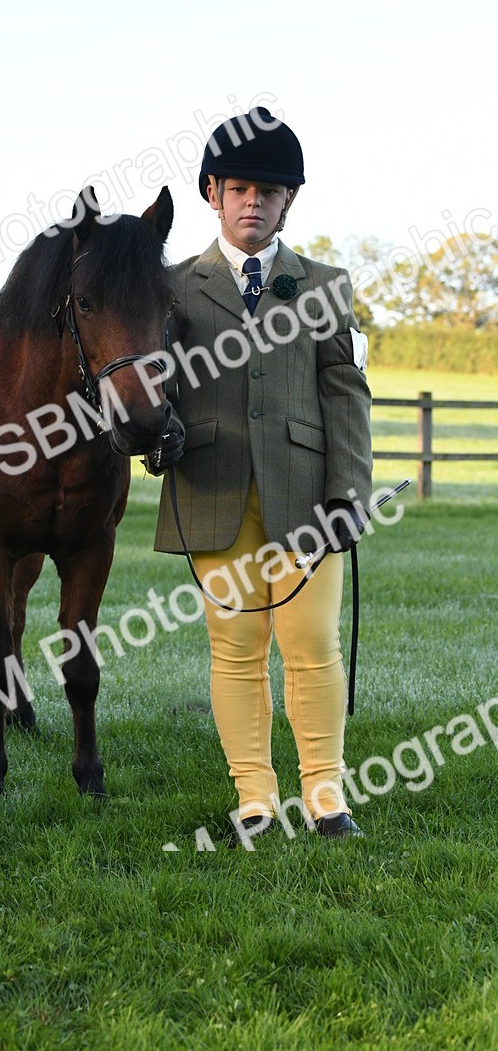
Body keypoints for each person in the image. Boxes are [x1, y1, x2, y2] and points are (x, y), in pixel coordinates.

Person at [147, 106, 373, 840]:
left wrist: (350, 494)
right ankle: (254, 795)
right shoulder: (173, 290)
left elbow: (345, 394)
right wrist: (154, 443)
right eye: (239, 188)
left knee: (312, 644)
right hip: (211, 490)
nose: (253, 202)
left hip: (306, 496)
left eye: (269, 192)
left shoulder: (324, 285)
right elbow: (150, 390)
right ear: (213, 192)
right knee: (235, 650)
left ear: (289, 201)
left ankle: (326, 795)